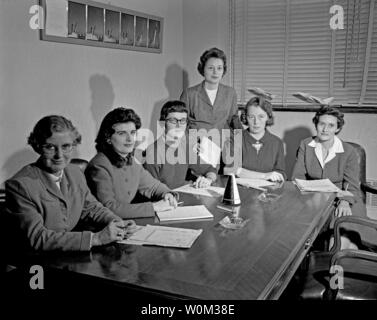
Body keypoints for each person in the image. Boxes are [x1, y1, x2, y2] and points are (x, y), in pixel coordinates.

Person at [5, 115, 135, 252]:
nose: (59, 155)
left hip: (71, 255)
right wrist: (96, 239)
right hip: (38, 262)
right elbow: (38, 238)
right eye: (50, 147)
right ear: (37, 147)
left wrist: (116, 222)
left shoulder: (75, 172)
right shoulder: (20, 185)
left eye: (66, 146)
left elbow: (92, 208)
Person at [291, 106, 364, 249]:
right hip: (314, 197)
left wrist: (345, 201)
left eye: (331, 125)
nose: (325, 129)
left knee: (340, 236)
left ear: (337, 128)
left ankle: (339, 267)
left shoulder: (348, 151)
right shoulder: (306, 145)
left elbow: (353, 187)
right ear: (316, 124)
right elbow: (297, 177)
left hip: (343, 197)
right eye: (321, 124)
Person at [85, 108, 178, 219]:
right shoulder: (99, 165)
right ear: (108, 138)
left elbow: (154, 186)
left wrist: (167, 194)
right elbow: (109, 208)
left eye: (132, 133)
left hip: (125, 224)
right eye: (122, 133)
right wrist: (154, 207)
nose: (130, 139)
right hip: (104, 229)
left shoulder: (130, 161)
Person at [144, 100, 217, 189]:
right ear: (162, 124)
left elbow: (210, 170)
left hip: (183, 196)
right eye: (173, 121)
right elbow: (150, 191)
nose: (179, 126)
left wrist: (207, 180)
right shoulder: (153, 152)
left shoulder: (185, 147)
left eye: (183, 121)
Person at [223, 97, 286, 182]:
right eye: (251, 117)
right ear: (245, 117)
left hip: (268, 193)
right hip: (241, 191)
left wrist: (278, 176)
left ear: (268, 117)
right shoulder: (235, 138)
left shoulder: (277, 142)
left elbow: (280, 173)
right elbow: (229, 170)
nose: (256, 122)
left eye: (261, 117)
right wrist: (264, 176)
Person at [180, 47, 243, 132]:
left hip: (224, 142)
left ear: (223, 70)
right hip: (197, 142)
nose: (215, 72)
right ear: (203, 69)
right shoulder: (189, 94)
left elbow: (234, 122)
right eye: (210, 68)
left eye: (219, 68)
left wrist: (243, 141)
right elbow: (182, 124)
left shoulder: (230, 93)